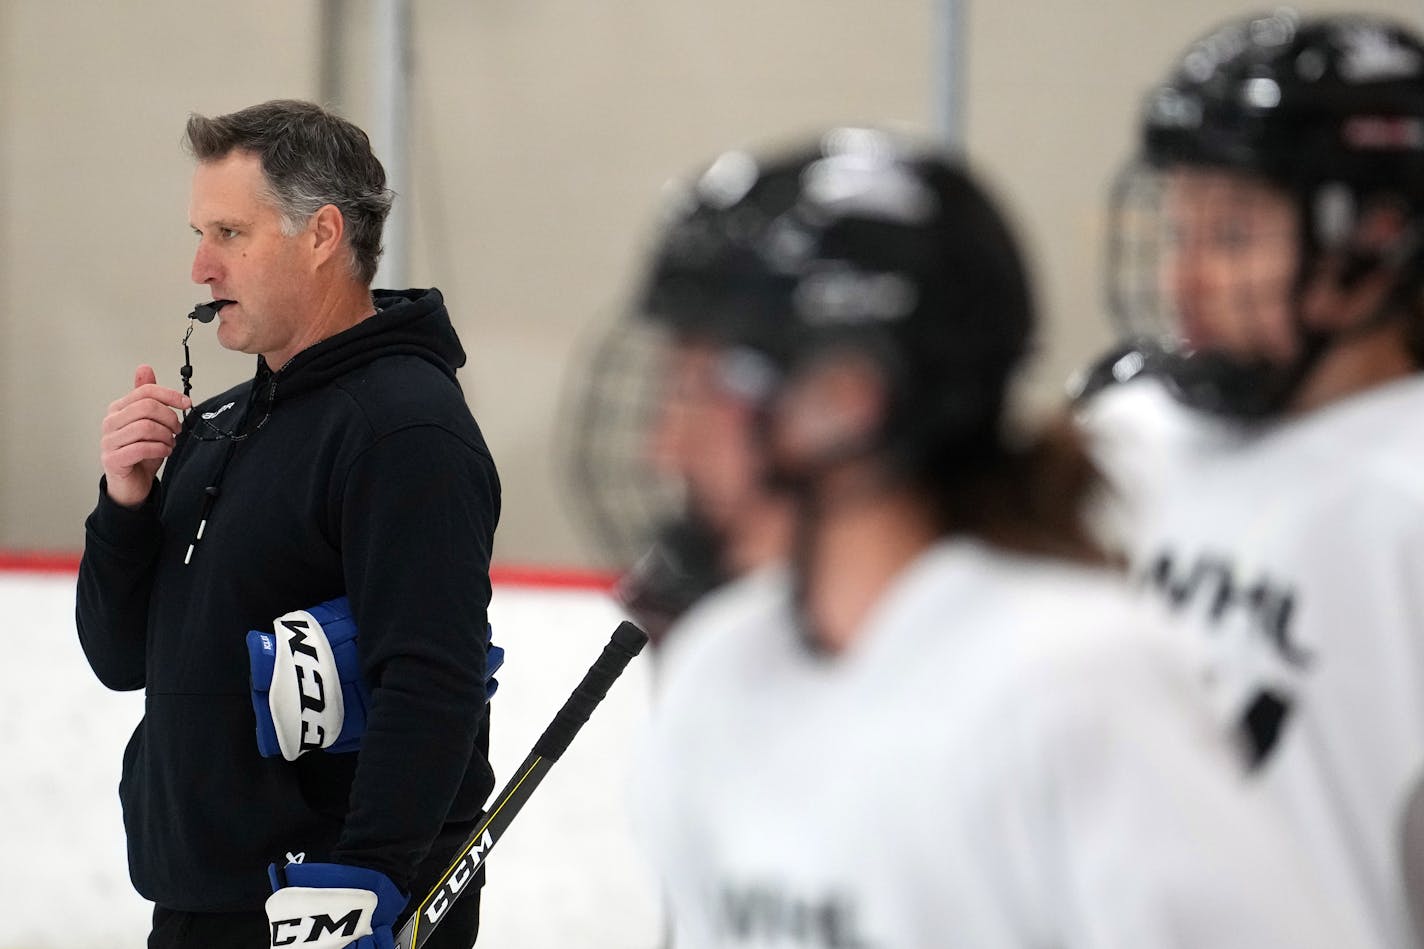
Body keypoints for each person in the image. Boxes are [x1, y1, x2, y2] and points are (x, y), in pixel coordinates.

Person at [589, 128, 1365, 946]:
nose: (663, 448)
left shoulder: (1070, 684)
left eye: (700, 388)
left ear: (847, 400)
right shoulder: (721, 675)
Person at [76, 100, 499, 948]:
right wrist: (126, 503)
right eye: (199, 233)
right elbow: (121, 659)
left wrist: (366, 880)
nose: (200, 266)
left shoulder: (404, 430)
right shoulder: (220, 423)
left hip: (330, 913)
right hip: (202, 903)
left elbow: (434, 679)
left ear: (321, 236)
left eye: (230, 233)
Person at [1078, 11, 1424, 947]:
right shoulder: (1122, 435)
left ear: (1377, 238)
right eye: (1178, 227)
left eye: (1231, 235)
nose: (1187, 276)